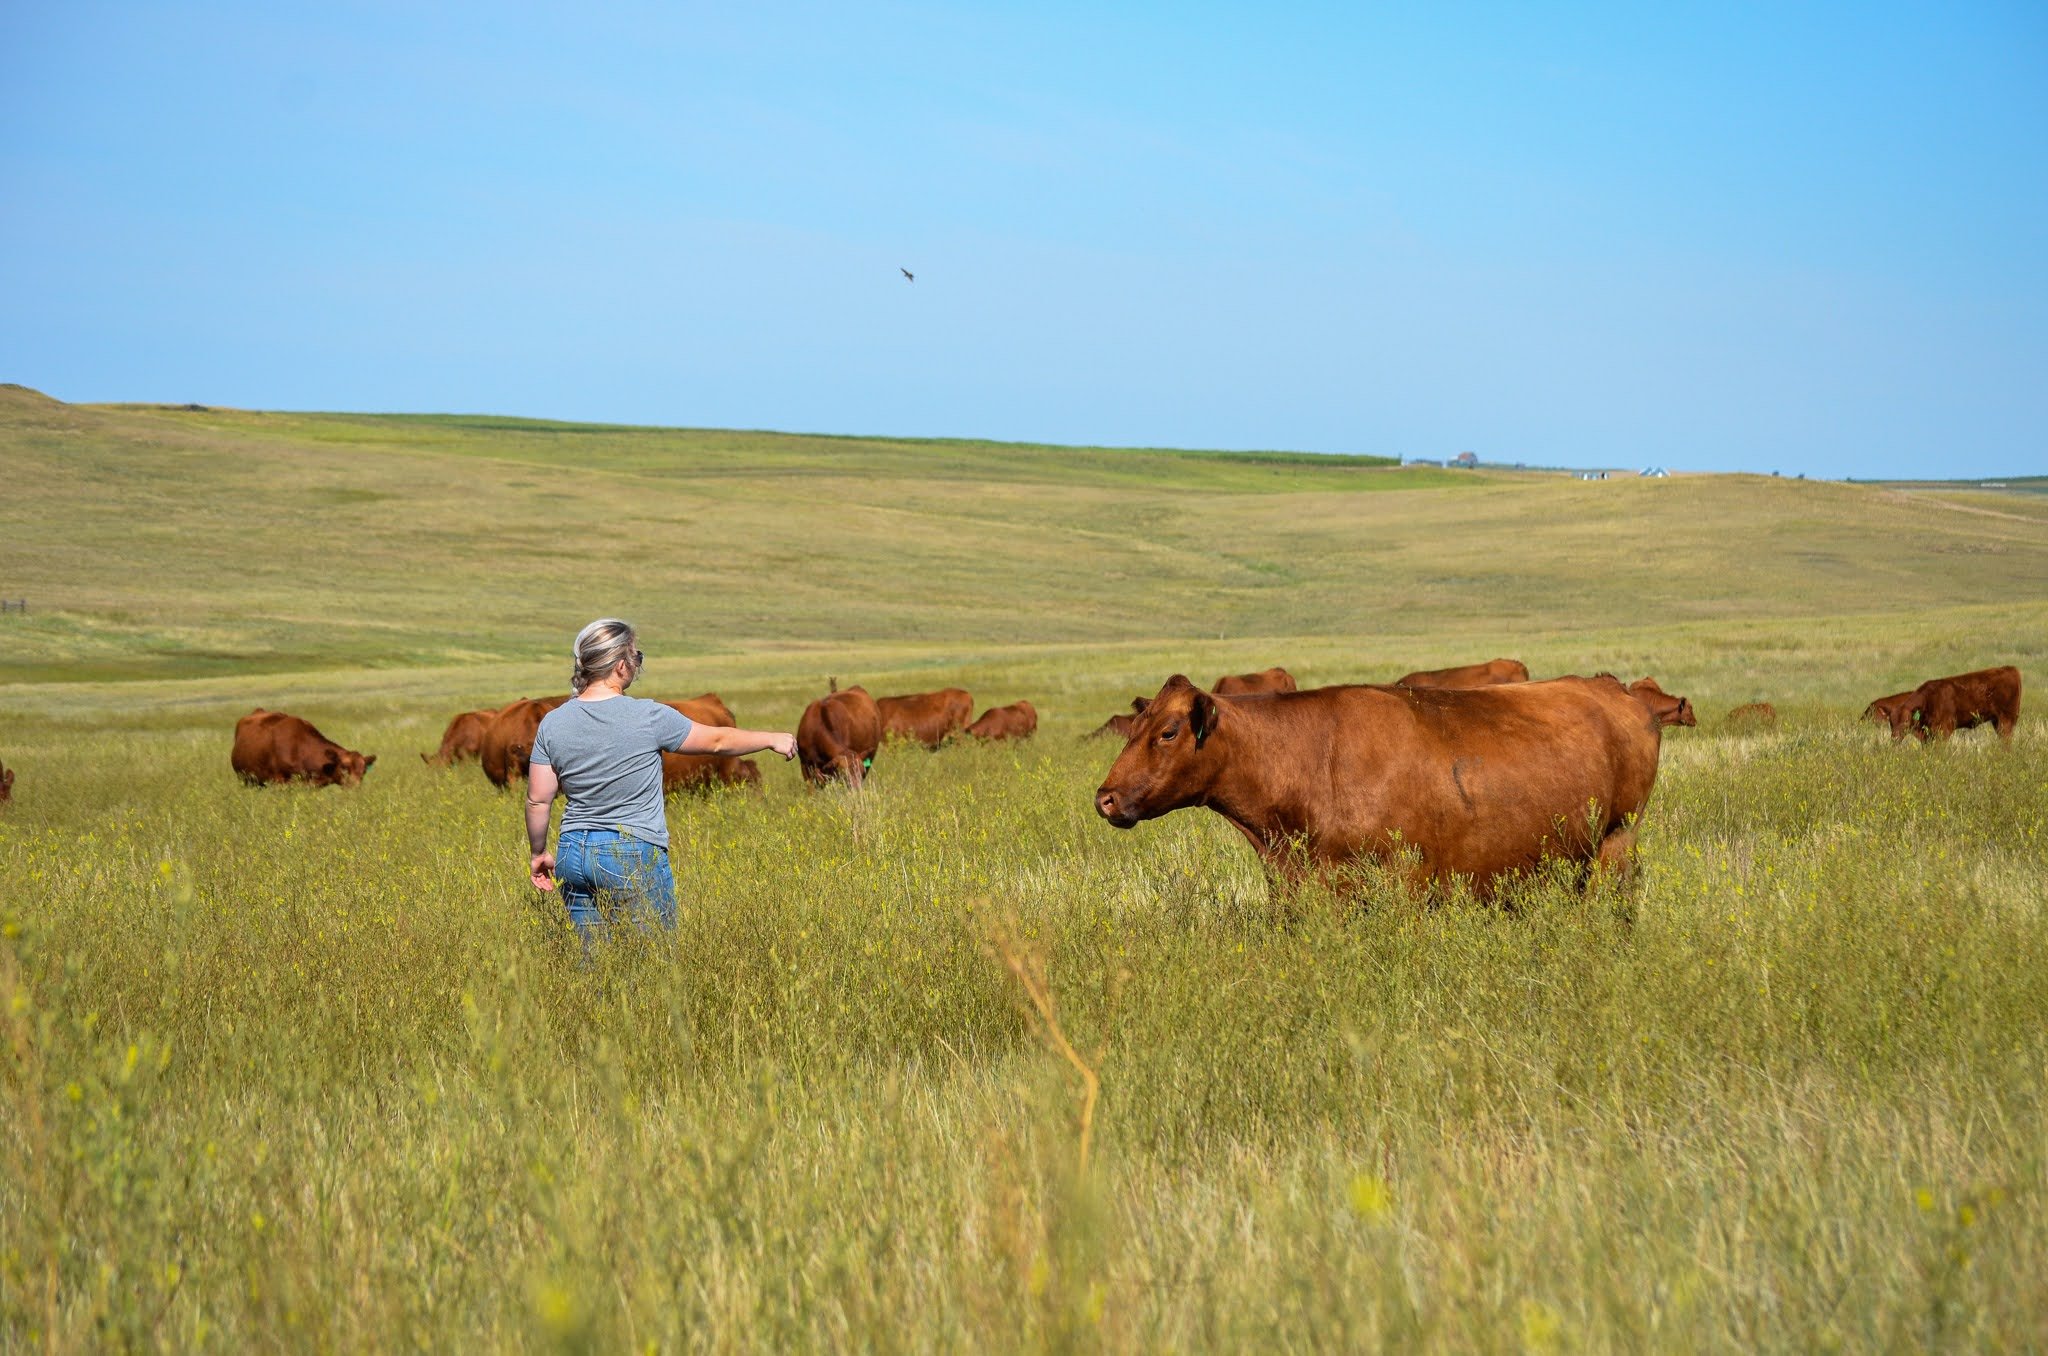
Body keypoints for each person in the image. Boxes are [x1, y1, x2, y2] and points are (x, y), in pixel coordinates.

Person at [525, 618, 796, 943]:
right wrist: (771, 738)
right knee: (651, 961)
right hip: (630, 848)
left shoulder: (553, 722)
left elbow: (538, 799)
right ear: (621, 665)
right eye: (637, 657)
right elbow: (718, 742)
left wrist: (539, 853)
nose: (638, 664)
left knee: (594, 967)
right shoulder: (648, 716)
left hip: (571, 853)